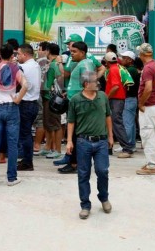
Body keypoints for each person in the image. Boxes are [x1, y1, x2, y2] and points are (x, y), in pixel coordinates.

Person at [66, 71, 113, 220]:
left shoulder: (102, 97)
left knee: (103, 170)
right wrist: (69, 141)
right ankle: (85, 205)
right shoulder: (75, 100)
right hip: (83, 142)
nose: (98, 84)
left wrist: (111, 136)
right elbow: (71, 122)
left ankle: (104, 197)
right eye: (95, 81)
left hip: (101, 142)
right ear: (86, 84)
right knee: (83, 174)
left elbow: (108, 116)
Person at [0, 43, 28, 186]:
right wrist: (17, 99)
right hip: (11, 107)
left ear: (0, 54)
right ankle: (11, 178)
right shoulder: (15, 69)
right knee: (12, 143)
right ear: (12, 55)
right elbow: (26, 85)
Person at [59, 41, 96, 175]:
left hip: (80, 106)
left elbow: (91, 86)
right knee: (74, 134)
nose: (71, 54)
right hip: (74, 102)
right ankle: (74, 162)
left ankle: (75, 163)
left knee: (76, 135)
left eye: (74, 52)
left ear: (82, 52)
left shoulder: (86, 64)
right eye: (71, 51)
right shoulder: (81, 64)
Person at [136, 43, 155, 175]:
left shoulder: (147, 68)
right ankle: (150, 162)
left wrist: (141, 103)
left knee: (148, 136)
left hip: (149, 106)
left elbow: (148, 88)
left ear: (142, 54)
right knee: (152, 135)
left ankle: (152, 165)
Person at [104, 52, 135, 158]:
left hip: (115, 99)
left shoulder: (112, 70)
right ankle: (109, 147)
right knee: (112, 122)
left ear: (107, 62)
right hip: (118, 99)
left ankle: (127, 148)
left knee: (116, 123)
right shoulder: (119, 67)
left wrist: (106, 97)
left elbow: (116, 86)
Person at [16, 44, 41, 171]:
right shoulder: (36, 65)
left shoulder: (22, 67)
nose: (17, 57)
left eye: (18, 54)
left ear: (25, 55)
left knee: (25, 134)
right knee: (27, 133)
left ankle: (27, 162)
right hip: (34, 103)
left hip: (25, 103)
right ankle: (26, 160)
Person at [42, 43, 65, 159]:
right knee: (49, 124)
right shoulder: (54, 63)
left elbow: (53, 81)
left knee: (56, 124)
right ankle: (49, 147)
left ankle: (58, 149)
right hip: (51, 97)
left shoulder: (54, 65)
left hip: (52, 98)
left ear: (48, 51)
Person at [120, 51, 140, 150]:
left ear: (130, 60)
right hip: (132, 99)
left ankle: (126, 146)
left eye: (124, 58)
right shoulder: (132, 70)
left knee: (127, 123)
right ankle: (131, 145)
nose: (122, 59)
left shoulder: (130, 70)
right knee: (130, 123)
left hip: (128, 99)